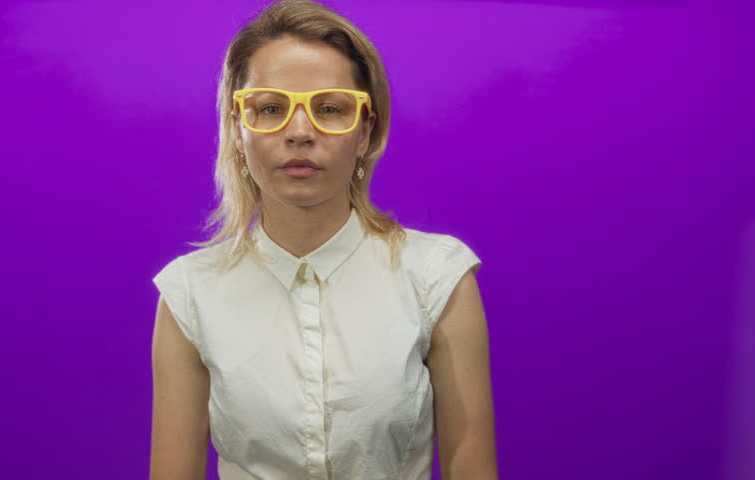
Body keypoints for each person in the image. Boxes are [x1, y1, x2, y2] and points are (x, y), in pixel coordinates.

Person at [149, 0, 498, 478]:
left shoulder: (437, 277)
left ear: (365, 131)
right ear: (236, 128)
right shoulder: (190, 294)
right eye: (270, 108)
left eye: (330, 109)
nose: (299, 131)